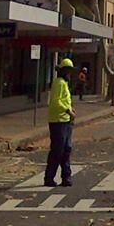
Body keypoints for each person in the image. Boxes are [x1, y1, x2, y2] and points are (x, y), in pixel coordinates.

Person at [44, 58, 76, 187]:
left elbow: (64, 100)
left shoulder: (63, 83)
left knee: (66, 149)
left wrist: (70, 109)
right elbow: (57, 101)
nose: (69, 74)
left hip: (65, 120)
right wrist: (68, 111)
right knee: (58, 150)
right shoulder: (59, 83)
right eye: (68, 71)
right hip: (58, 121)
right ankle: (49, 177)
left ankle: (66, 177)